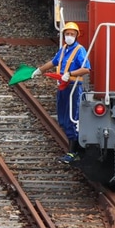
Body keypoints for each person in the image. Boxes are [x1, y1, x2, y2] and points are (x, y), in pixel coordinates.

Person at [33, 21, 91, 163]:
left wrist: (70, 73)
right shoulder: (64, 49)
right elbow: (54, 62)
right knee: (64, 119)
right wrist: (39, 70)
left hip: (73, 88)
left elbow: (86, 69)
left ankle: (73, 152)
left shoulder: (79, 50)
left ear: (76, 35)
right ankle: (73, 150)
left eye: (72, 34)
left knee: (73, 119)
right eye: (67, 34)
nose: (69, 36)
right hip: (63, 88)